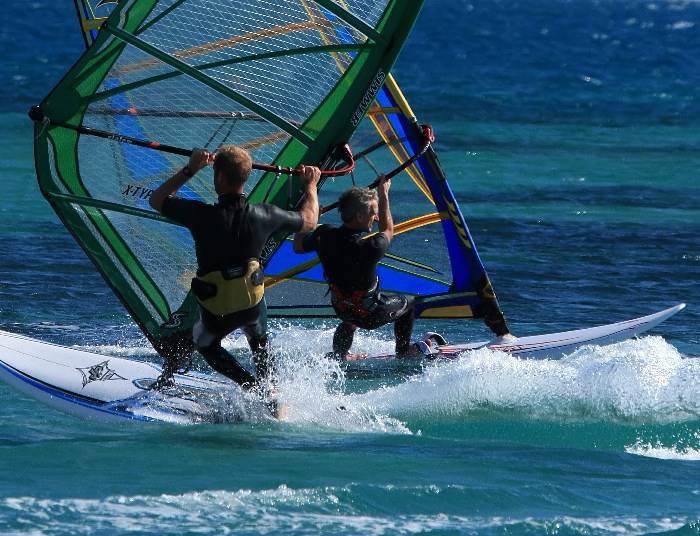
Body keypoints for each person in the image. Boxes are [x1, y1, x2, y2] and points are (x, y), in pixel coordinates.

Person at [149, 145, 320, 391]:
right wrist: (311, 185)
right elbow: (310, 221)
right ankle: (270, 389)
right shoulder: (265, 214)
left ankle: (250, 385)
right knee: (259, 338)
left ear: (219, 176)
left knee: (205, 344)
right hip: (250, 305)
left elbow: (157, 199)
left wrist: (191, 168)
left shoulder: (202, 215)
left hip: (216, 310)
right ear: (246, 176)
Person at [293, 175, 422, 361]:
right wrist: (383, 193)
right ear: (359, 216)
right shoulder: (371, 247)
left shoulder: (323, 235)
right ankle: (403, 352)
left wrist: (311, 221)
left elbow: (298, 246)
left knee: (350, 309)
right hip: (371, 315)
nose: (376, 217)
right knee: (410, 303)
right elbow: (388, 230)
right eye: (373, 212)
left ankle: (340, 354)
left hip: (341, 308)